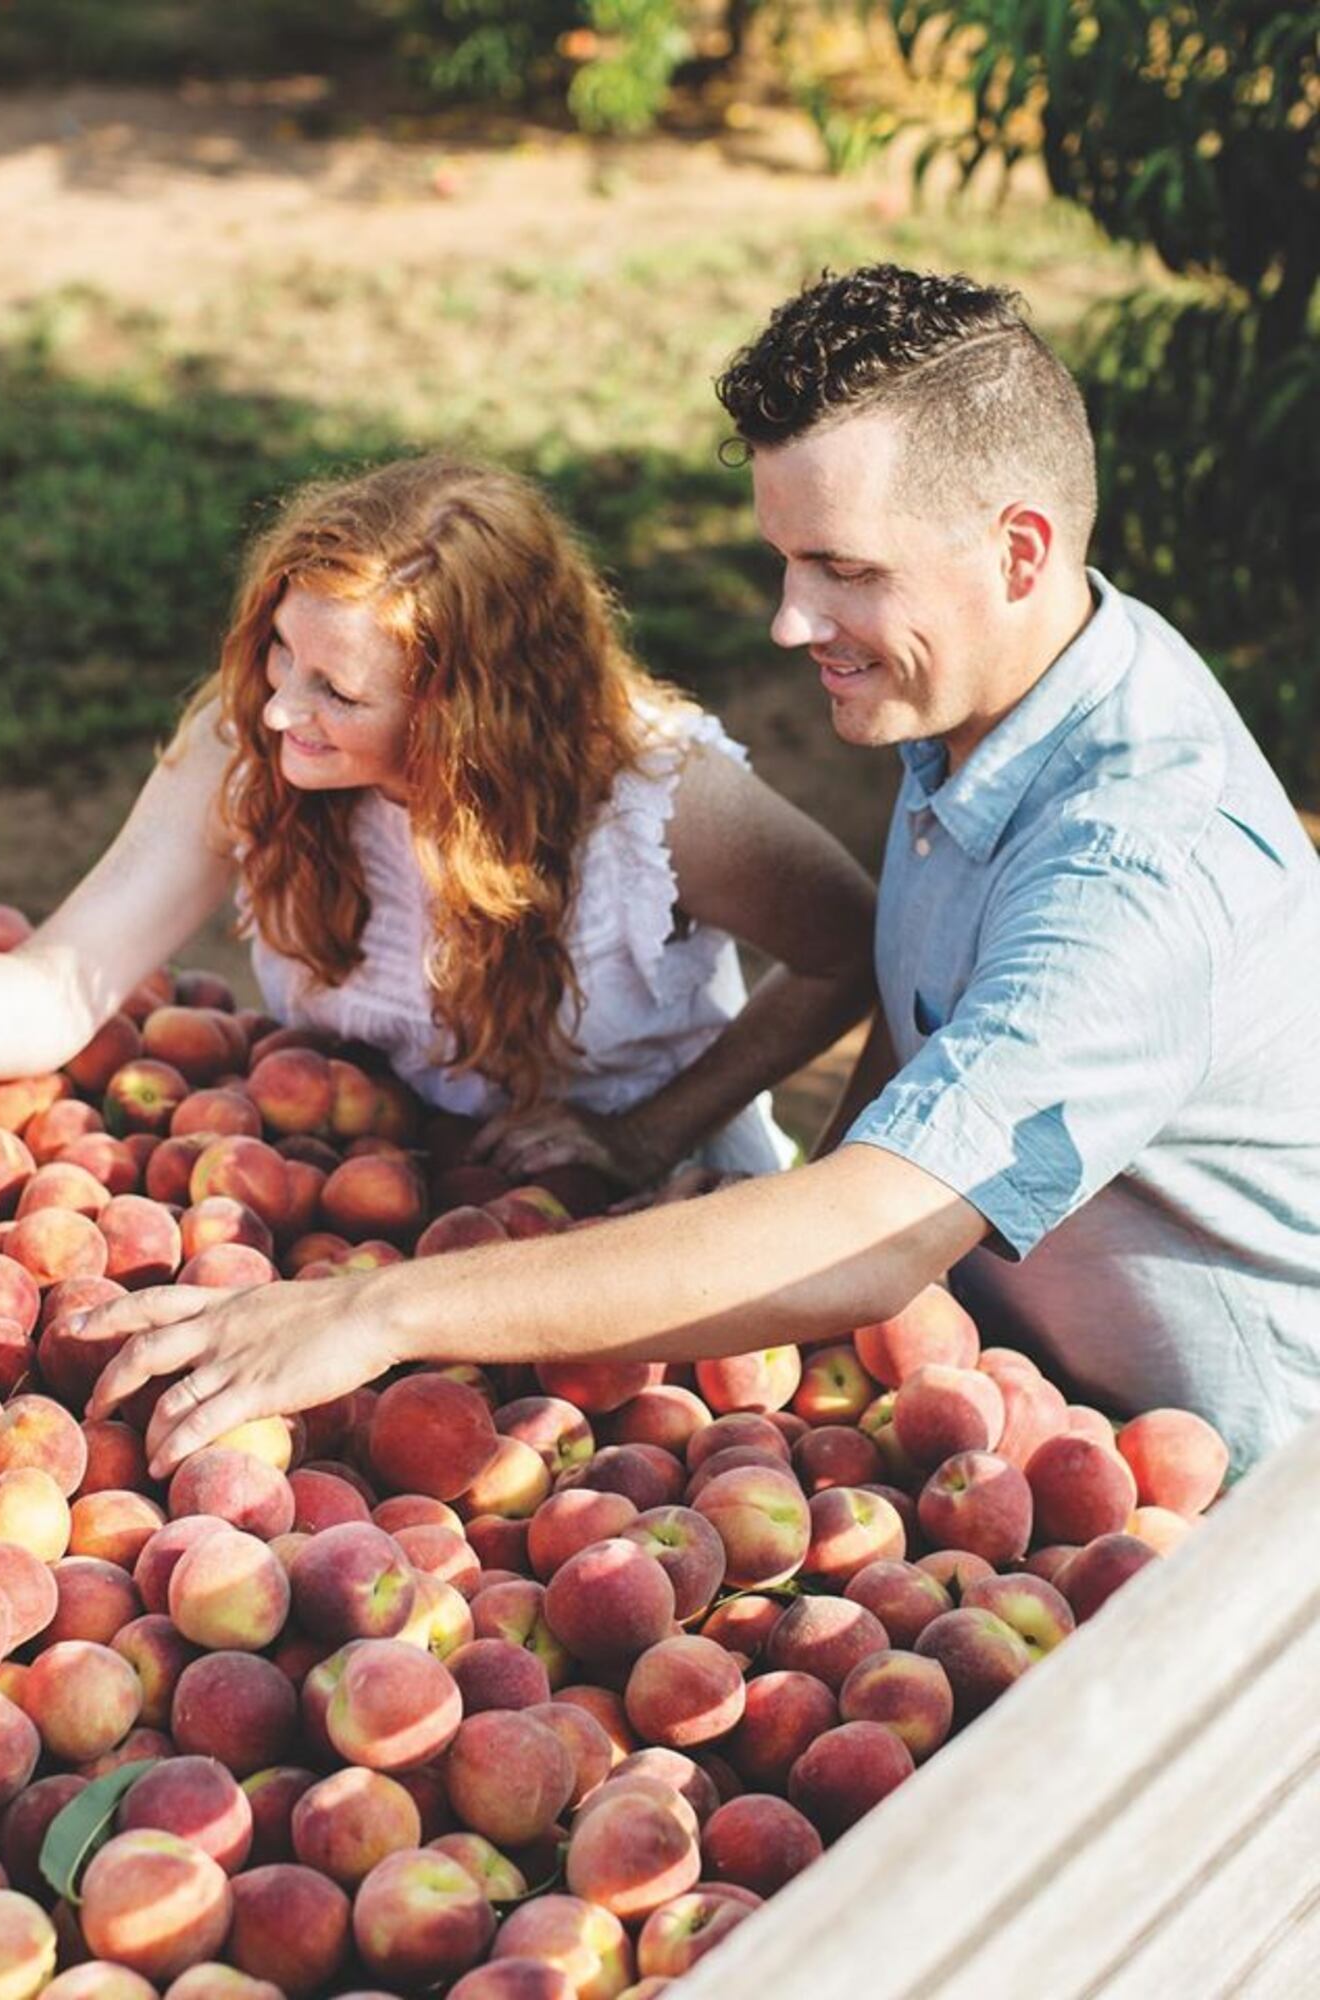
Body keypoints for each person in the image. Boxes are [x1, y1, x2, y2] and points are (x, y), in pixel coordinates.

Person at [76, 264, 1320, 1483]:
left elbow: (875, 1231)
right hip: (1022, 1409)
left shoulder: (1132, 869)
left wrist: (375, 1313)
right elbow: (919, 1025)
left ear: (1019, 550)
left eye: (845, 568)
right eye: (787, 559)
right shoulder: (988, 705)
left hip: (1241, 1510)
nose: (789, 619)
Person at [0, 453, 874, 1192]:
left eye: (339, 689)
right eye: (281, 648)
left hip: (655, 1210)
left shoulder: (653, 802)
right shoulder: (249, 752)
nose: (279, 703)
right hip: (375, 1184)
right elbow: (55, 987)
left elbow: (848, 947)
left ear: (466, 715)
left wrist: (649, 1133)